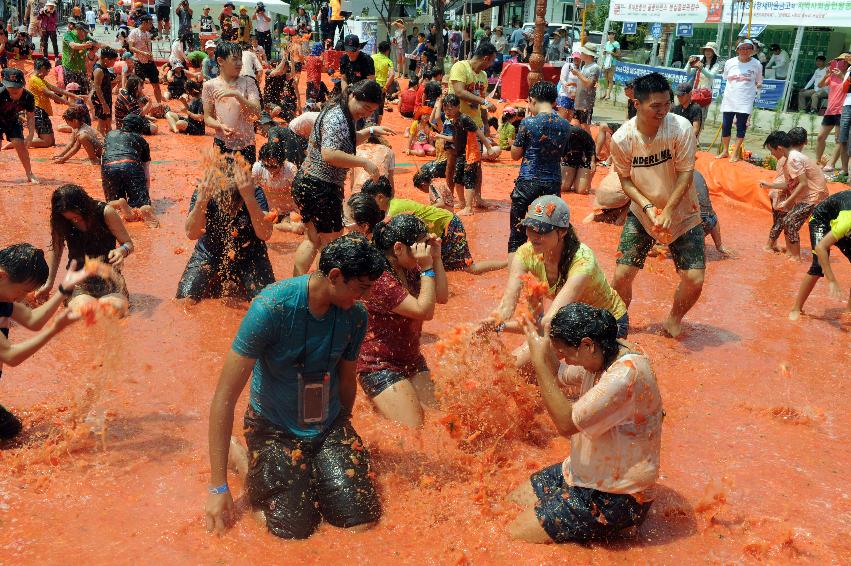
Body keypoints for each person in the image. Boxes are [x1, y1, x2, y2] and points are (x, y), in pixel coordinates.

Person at [205, 234, 385, 539]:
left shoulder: (355, 316)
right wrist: (217, 485)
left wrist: (341, 436)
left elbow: (346, 379)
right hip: (274, 427)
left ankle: (311, 466)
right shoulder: (272, 307)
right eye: (361, 288)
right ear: (335, 276)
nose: (364, 298)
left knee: (360, 521)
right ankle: (244, 461)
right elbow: (224, 396)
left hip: (326, 425)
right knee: (289, 530)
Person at [506, 303, 662, 544]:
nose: (565, 359)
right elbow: (560, 374)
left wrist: (537, 362)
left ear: (587, 345)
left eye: (566, 353)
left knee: (513, 535)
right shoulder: (603, 352)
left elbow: (566, 425)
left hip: (617, 496)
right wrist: (537, 337)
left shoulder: (624, 375)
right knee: (511, 503)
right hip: (584, 472)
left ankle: (623, 526)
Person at [610, 72, 703, 338]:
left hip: (684, 211)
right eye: (656, 106)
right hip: (642, 213)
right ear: (636, 104)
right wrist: (648, 207)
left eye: (667, 104)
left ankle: (674, 319)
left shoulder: (680, 128)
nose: (663, 111)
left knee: (694, 279)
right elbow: (626, 181)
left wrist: (669, 210)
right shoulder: (622, 139)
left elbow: (686, 173)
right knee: (622, 274)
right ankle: (618, 323)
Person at [486, 196, 628, 345]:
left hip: (608, 323)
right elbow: (509, 309)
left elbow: (550, 321)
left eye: (542, 230)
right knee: (520, 363)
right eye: (530, 228)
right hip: (572, 322)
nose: (533, 236)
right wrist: (493, 325)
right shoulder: (525, 254)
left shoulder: (583, 261)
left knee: (540, 352)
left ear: (562, 232)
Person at [291, 80, 395, 276]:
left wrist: (371, 131)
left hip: (306, 182)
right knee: (331, 245)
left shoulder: (341, 110)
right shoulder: (337, 116)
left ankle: (298, 285)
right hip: (320, 186)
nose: (365, 114)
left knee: (313, 240)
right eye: (365, 108)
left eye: (370, 111)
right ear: (354, 95)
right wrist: (363, 162)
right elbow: (329, 153)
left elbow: (347, 140)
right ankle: (324, 291)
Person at [352, 214, 447, 427]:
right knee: (415, 429)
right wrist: (427, 268)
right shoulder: (380, 279)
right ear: (398, 248)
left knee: (442, 421)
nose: (424, 250)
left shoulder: (410, 267)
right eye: (420, 244)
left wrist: (437, 259)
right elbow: (424, 311)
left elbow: (441, 297)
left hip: (411, 359)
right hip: (379, 365)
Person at [0, 243, 94, 442]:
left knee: (12, 431)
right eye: (23, 290)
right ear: (2, 276)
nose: (25, 297)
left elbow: (33, 320)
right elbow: (10, 356)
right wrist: (55, 329)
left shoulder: (3, 299)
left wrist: (63, 289)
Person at [176, 155, 275, 302]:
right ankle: (221, 279)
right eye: (224, 202)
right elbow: (191, 233)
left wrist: (249, 199)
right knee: (184, 301)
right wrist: (201, 202)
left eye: (235, 203)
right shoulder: (204, 191)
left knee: (267, 303)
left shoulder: (253, 191)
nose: (229, 209)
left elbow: (265, 234)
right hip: (209, 254)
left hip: (250, 255)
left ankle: (232, 279)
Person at [362, 176, 507, 275]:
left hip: (450, 225)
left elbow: (379, 232)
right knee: (441, 267)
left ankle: (507, 264)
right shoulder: (391, 207)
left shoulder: (393, 209)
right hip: (441, 228)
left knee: (469, 268)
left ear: (380, 197)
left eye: (369, 199)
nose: (367, 204)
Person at [39, 184, 134, 318]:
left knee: (111, 311)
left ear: (85, 207)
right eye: (70, 219)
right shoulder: (60, 220)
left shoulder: (106, 212)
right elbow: (56, 249)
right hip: (78, 282)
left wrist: (121, 251)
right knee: (85, 313)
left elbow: (128, 244)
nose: (74, 221)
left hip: (111, 280)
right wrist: (49, 283)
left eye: (77, 216)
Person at [508, 81, 573, 254]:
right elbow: (563, 154)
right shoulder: (566, 125)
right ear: (554, 101)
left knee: (517, 235)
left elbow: (515, 155)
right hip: (552, 185)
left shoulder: (528, 123)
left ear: (532, 100)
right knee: (549, 234)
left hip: (527, 184)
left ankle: (516, 278)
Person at [789, 190, 851, 322]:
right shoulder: (847, 221)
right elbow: (821, 247)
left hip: (838, 218)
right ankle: (796, 308)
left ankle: (849, 309)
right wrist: (832, 280)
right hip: (821, 220)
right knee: (818, 266)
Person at [202, 41, 262, 164]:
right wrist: (219, 126)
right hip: (222, 142)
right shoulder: (210, 86)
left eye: (240, 59)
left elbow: (257, 111)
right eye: (234, 59)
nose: (239, 63)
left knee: (245, 182)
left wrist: (237, 95)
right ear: (220, 61)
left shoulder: (248, 82)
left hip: (247, 143)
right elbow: (207, 118)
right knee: (223, 182)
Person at [100, 114, 159, 227]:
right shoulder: (141, 140)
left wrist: (106, 184)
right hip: (130, 165)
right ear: (139, 128)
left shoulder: (110, 135)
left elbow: (102, 160)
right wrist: (144, 197)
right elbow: (146, 172)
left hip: (109, 167)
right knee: (141, 205)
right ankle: (142, 209)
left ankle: (121, 205)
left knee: (115, 208)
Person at [443, 93, 494, 216]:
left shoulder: (465, 119)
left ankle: (469, 207)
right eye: (445, 108)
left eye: (450, 108)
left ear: (458, 107)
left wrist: (489, 147)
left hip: (471, 154)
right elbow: (454, 138)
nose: (448, 111)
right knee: (457, 179)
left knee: (469, 180)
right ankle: (462, 202)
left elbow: (479, 133)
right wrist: (440, 136)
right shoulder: (454, 120)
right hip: (461, 154)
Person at [718, 39, 762, 162]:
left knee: (741, 126)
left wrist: (758, 86)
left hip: (745, 100)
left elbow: (759, 80)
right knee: (726, 125)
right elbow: (726, 77)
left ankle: (735, 153)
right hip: (729, 99)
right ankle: (725, 151)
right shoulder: (730, 62)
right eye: (742, 48)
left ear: (752, 50)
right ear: (737, 50)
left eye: (748, 48)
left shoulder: (757, 64)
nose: (745, 51)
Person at [252, 141, 301, 233]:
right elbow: (252, 192)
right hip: (269, 211)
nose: (270, 169)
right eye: (266, 165)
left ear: (282, 162)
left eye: (274, 166)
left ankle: (274, 227)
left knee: (298, 228)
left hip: (290, 212)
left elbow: (301, 195)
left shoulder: (290, 171)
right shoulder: (257, 167)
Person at [0, 67, 38, 183]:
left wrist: (31, 133)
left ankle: (29, 173)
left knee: (20, 145)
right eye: (10, 87)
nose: (13, 90)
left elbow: (31, 116)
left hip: (12, 119)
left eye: (17, 87)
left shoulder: (28, 97)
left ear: (24, 85)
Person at [816, 53, 850, 175]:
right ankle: (818, 161)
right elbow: (819, 86)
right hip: (830, 110)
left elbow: (848, 86)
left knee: (838, 140)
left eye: (843, 61)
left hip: (842, 110)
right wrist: (826, 75)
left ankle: (831, 164)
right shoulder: (832, 76)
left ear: (847, 63)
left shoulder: (847, 75)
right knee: (820, 137)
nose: (840, 63)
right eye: (838, 60)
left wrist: (841, 76)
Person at [27, 57, 70, 149]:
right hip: (38, 111)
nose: (47, 73)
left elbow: (54, 88)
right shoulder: (35, 79)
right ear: (42, 68)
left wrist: (71, 95)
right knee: (46, 142)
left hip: (43, 112)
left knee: (51, 142)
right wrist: (68, 103)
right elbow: (49, 93)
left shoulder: (40, 79)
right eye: (47, 70)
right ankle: (20, 142)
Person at [127, 15, 163, 104]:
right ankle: (139, 106)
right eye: (150, 24)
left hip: (150, 62)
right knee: (139, 85)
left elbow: (148, 47)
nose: (151, 26)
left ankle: (159, 104)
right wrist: (143, 53)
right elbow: (131, 47)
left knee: (156, 84)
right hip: (139, 62)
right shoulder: (134, 32)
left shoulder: (147, 33)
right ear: (144, 23)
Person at [687, 42, 723, 122]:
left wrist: (701, 68)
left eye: (710, 50)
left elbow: (711, 75)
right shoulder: (699, 61)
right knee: (690, 117)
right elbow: (688, 73)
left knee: (700, 118)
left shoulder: (716, 65)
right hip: (694, 93)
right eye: (706, 50)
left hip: (705, 95)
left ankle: (696, 134)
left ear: (714, 52)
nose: (707, 51)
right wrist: (690, 64)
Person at [62, 19, 97, 93]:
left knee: (84, 92)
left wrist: (116, 50)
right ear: (79, 30)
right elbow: (73, 45)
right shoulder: (68, 35)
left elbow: (98, 44)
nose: (87, 34)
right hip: (69, 68)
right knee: (72, 92)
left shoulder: (86, 37)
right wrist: (85, 45)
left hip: (81, 69)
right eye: (86, 32)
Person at [560, 124, 596, 195]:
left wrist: (592, 161)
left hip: (584, 158)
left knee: (582, 191)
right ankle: (574, 178)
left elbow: (591, 145)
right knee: (563, 187)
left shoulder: (575, 131)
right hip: (569, 158)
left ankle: (579, 179)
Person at [91, 46, 118, 136]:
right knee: (102, 123)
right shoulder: (99, 70)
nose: (114, 63)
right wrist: (104, 104)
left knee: (108, 121)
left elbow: (108, 83)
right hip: (100, 99)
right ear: (106, 59)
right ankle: (101, 143)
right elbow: (97, 88)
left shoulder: (104, 67)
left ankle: (107, 142)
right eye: (113, 60)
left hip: (105, 97)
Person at [572, 43, 600, 131]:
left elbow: (589, 84)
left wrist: (577, 74)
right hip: (580, 100)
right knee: (577, 125)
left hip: (586, 103)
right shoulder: (584, 66)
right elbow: (583, 82)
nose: (581, 55)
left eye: (582, 53)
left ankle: (589, 144)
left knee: (585, 127)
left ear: (588, 54)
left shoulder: (595, 67)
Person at [600, 31, 620, 100]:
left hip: (612, 63)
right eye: (608, 34)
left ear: (614, 35)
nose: (608, 35)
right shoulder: (607, 43)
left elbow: (618, 54)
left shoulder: (616, 43)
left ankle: (608, 95)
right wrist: (604, 53)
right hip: (605, 63)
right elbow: (604, 54)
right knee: (605, 79)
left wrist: (611, 52)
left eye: (610, 34)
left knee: (610, 79)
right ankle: (605, 93)